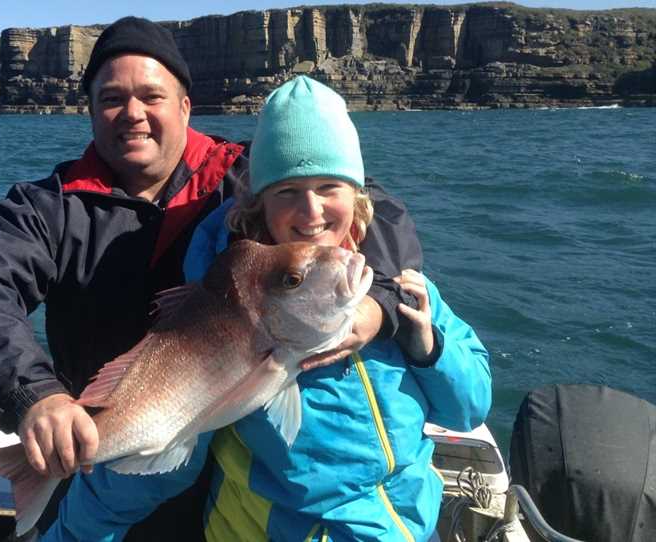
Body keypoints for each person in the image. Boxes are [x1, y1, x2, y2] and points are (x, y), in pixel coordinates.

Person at [0, 17, 423, 539]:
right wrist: (34, 395)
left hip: (223, 472)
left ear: (185, 105)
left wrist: (379, 304)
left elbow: (374, 209)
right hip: (102, 462)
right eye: (112, 98)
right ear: (90, 109)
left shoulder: (245, 178)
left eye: (152, 96)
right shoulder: (47, 206)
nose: (133, 114)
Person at [43, 76, 491, 541]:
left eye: (329, 186)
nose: (311, 210)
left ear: (359, 195)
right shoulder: (238, 316)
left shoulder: (404, 291)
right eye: (287, 192)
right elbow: (163, 451)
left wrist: (429, 347)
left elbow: (468, 409)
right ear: (260, 205)